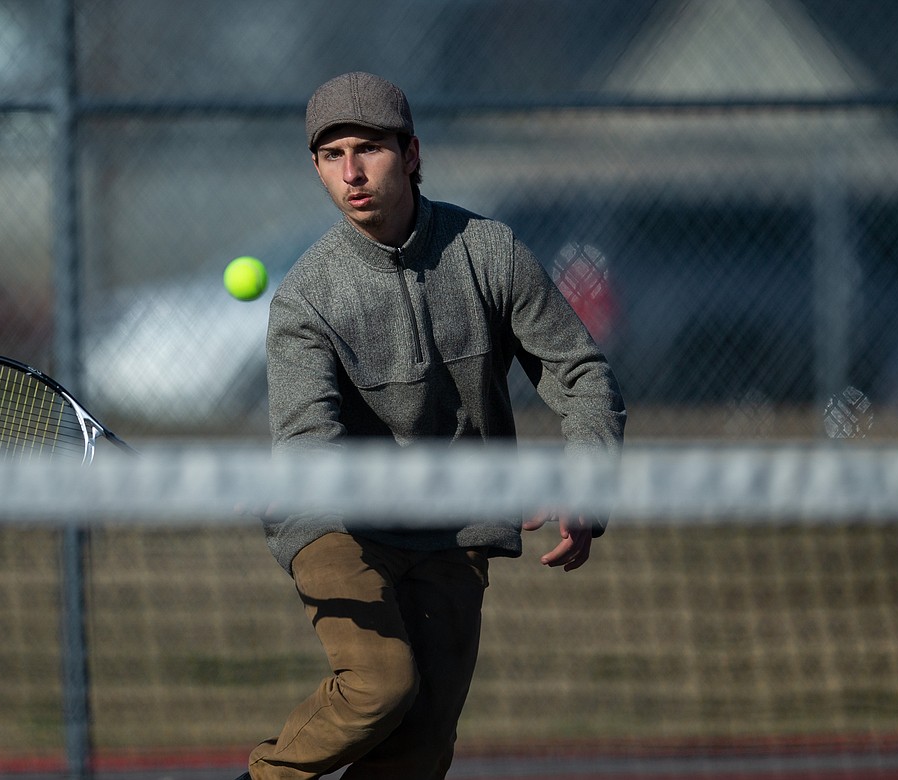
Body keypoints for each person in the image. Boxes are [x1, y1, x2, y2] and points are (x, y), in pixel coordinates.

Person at [237, 72, 626, 780]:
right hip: (336, 522)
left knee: (421, 748)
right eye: (331, 156)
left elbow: (582, 373)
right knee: (379, 685)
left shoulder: (491, 253)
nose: (351, 174)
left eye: (368, 149)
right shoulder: (305, 298)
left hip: (453, 526)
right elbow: (308, 441)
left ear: (411, 154)